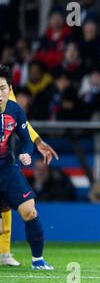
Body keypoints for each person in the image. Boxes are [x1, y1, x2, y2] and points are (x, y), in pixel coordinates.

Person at [0, 66, 53, 269]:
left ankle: (38, 260)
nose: (0, 94)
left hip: (7, 169)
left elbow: (25, 139)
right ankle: (3, 254)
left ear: (9, 89)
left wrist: (26, 151)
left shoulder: (15, 110)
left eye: (3, 88)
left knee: (30, 211)